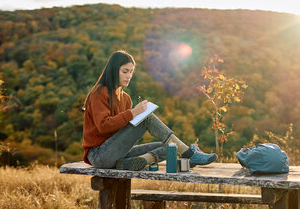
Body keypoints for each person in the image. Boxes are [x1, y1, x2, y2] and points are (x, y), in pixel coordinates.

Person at [81, 50, 217, 171]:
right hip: (99, 155)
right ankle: (189, 153)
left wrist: (135, 116)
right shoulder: (100, 92)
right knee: (147, 117)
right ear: (113, 70)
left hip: (118, 153)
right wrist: (134, 113)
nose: (129, 76)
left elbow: (121, 132)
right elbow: (104, 127)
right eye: (125, 71)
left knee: (170, 148)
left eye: (131, 72)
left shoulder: (125, 98)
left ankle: (132, 163)